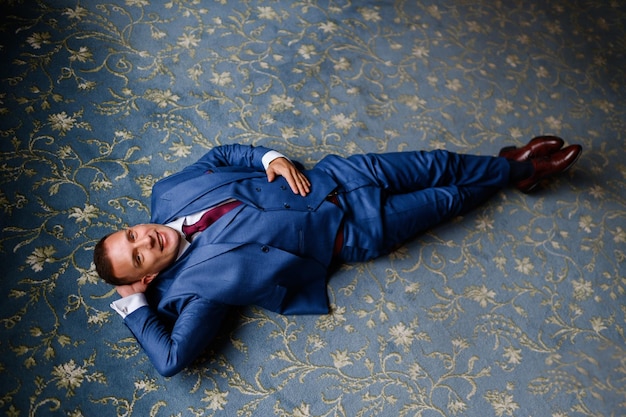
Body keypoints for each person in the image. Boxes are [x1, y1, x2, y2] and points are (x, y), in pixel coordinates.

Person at [94, 138, 581, 376]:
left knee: (439, 163)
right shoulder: (194, 289)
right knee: (447, 199)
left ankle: (513, 165)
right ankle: (521, 172)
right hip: (352, 233)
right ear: (149, 274)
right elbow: (171, 359)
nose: (146, 240)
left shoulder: (168, 191)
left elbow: (222, 155)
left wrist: (270, 160)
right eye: (138, 257)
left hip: (340, 176)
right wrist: (134, 306)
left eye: (132, 234)